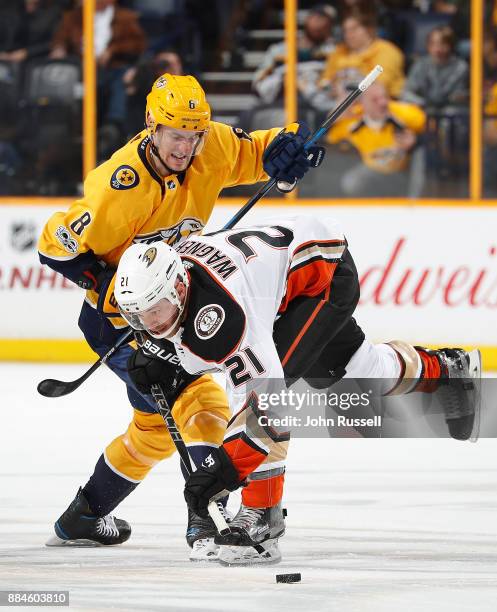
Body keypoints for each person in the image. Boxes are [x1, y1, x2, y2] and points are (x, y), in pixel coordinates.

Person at [37, 73, 324, 559]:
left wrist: (290, 149)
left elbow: (258, 151)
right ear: (152, 124)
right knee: (200, 403)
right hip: (121, 321)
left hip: (174, 305)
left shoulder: (208, 144)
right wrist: (103, 281)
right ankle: (207, 520)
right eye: (176, 134)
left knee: (153, 430)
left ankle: (83, 515)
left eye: (193, 135)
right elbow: (54, 247)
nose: (185, 146)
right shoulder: (118, 187)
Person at [114, 215, 481, 565]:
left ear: (179, 288)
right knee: (360, 373)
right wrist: (164, 355)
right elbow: (200, 342)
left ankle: (262, 513)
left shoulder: (225, 315)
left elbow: (268, 405)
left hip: (321, 275)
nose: (149, 324)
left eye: (156, 311)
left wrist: (224, 469)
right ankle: (446, 369)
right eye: (138, 316)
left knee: (273, 389)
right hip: (291, 274)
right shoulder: (174, 282)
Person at [50, 0, 147, 151]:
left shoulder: (124, 17)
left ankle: (113, 125)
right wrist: (59, 49)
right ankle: (71, 130)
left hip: (112, 66)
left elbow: (138, 44)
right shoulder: (73, 17)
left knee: (120, 80)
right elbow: (60, 39)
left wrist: (113, 50)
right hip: (81, 69)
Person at [327, 81, 426, 197]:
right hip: (369, 176)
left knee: (420, 154)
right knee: (352, 181)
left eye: (384, 97)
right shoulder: (351, 121)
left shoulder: (403, 114)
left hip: (401, 174)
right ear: (362, 103)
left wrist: (415, 142)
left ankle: (414, 204)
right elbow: (330, 142)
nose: (383, 103)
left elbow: (426, 126)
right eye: (375, 100)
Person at [252, 4, 336, 107]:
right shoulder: (278, 51)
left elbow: (332, 86)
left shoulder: (332, 53)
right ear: (307, 19)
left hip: (314, 106)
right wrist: (284, 80)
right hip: (279, 103)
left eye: (326, 22)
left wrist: (306, 85)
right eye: (318, 18)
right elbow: (258, 82)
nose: (320, 24)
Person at [318, 10, 405, 107]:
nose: (348, 35)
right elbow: (324, 82)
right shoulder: (338, 52)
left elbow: (380, 86)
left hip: (380, 105)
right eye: (345, 30)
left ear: (370, 29)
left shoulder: (387, 51)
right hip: (338, 103)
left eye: (354, 29)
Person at [401, 25, 468, 110]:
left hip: (449, 114)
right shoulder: (420, 64)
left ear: (451, 45)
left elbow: (459, 97)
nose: (437, 49)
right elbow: (406, 93)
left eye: (443, 44)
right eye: (433, 44)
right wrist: (424, 104)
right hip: (423, 110)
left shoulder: (461, 67)